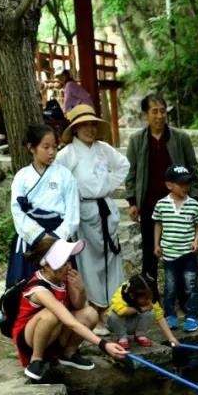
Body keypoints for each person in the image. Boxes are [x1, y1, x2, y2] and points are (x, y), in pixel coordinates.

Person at [12, 237, 127, 380]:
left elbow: (78, 306)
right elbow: (70, 322)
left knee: (91, 313)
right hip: (30, 339)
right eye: (63, 263)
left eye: (68, 261)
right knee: (51, 315)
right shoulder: (39, 290)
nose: (69, 267)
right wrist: (103, 344)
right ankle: (36, 359)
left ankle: (68, 353)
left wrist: (81, 289)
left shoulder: (62, 279)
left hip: (55, 333)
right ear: (46, 266)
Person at [56, 104, 130, 324]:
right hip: (83, 211)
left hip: (105, 208)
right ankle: (94, 312)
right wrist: (73, 197)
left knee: (111, 259)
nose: (90, 129)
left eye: (92, 124)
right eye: (84, 125)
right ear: (75, 129)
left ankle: (114, 308)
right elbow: (58, 180)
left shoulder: (103, 148)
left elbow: (123, 165)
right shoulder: (67, 153)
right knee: (87, 262)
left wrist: (107, 185)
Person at [125, 94, 198, 281]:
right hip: (150, 204)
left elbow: (193, 169)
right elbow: (131, 172)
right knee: (150, 252)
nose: (159, 116)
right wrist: (132, 201)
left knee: (181, 250)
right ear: (146, 115)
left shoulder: (181, 138)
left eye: (162, 111)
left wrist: (195, 199)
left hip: (178, 204)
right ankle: (150, 292)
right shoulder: (137, 140)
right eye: (154, 112)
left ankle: (183, 291)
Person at [8, 124, 81, 286]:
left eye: (55, 147)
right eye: (46, 147)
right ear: (31, 147)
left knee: (62, 284)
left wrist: (55, 237)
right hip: (31, 237)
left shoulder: (64, 175)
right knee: (29, 286)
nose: (52, 152)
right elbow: (17, 211)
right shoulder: (22, 176)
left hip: (58, 235)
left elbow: (72, 213)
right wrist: (39, 236)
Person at [153, 166, 198, 332]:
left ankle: (192, 316)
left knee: (190, 284)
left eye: (187, 183)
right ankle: (170, 315)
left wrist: (196, 241)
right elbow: (158, 224)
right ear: (169, 185)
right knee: (170, 286)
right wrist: (156, 244)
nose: (185, 187)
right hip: (169, 253)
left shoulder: (193, 204)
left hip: (188, 252)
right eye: (181, 184)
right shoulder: (161, 204)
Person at [108, 273, 179, 348]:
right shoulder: (122, 293)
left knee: (151, 311)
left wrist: (171, 338)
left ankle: (140, 335)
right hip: (119, 324)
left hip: (134, 324)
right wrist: (142, 309)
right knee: (113, 314)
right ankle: (122, 338)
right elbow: (120, 311)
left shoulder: (148, 296)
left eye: (150, 297)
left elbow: (160, 317)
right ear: (133, 296)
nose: (149, 300)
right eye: (146, 298)